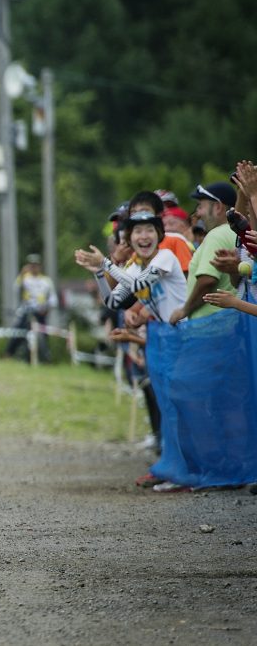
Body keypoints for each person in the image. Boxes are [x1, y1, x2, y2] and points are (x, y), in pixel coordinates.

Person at [75, 210, 187, 484]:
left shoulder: (165, 258)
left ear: (159, 234)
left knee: (182, 408)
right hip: (165, 341)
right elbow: (113, 302)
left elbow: (137, 285)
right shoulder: (135, 266)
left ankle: (187, 470)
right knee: (169, 408)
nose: (144, 236)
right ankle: (175, 468)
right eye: (137, 232)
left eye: (149, 230)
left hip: (185, 338)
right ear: (130, 238)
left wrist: (106, 263)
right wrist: (101, 272)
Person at [169, 182, 238, 325]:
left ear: (218, 207)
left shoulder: (216, 235)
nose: (198, 213)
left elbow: (207, 280)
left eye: (201, 206)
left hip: (211, 328)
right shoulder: (237, 233)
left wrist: (184, 310)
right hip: (229, 323)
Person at [4, 253, 58, 362]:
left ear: (40, 266)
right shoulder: (25, 278)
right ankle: (8, 355)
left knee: (43, 335)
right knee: (18, 331)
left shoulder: (46, 281)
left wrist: (47, 309)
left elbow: (53, 299)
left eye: (36, 265)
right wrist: (22, 274)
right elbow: (15, 288)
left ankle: (45, 359)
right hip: (27, 310)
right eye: (31, 265)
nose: (33, 267)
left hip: (41, 312)